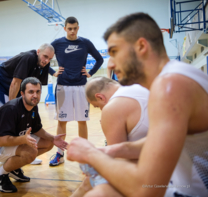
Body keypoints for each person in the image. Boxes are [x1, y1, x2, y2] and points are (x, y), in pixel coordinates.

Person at [67, 12, 208, 197]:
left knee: (97, 193)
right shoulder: (176, 74)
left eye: (115, 52)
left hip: (191, 192)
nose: (111, 63)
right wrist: (115, 149)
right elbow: (160, 141)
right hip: (184, 184)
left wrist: (90, 154)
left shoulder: (170, 87)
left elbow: (145, 190)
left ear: (141, 46)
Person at [0, 77, 68, 193]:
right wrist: (23, 139)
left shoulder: (33, 106)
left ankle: (13, 168)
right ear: (22, 93)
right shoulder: (11, 109)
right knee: (30, 152)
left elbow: (37, 129)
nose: (35, 95)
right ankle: (0, 174)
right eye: (31, 92)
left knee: (48, 143)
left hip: (16, 140)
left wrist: (53, 138)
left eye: (38, 92)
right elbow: (1, 141)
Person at [71, 76, 149, 197]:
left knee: (91, 185)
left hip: (154, 176)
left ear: (100, 97)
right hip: (179, 165)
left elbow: (117, 160)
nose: (101, 110)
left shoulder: (113, 106)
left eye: (97, 106)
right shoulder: (141, 87)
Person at [49, 16, 104, 166]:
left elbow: (100, 59)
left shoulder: (85, 43)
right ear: (65, 28)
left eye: (75, 28)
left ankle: (84, 154)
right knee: (62, 121)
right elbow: (42, 57)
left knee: (82, 120)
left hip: (81, 86)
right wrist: (52, 71)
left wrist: (90, 73)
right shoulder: (57, 43)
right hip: (63, 86)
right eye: (69, 28)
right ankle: (60, 154)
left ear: (78, 28)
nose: (72, 31)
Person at [0, 44, 55, 165]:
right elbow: (15, 83)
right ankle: (4, 158)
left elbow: (35, 88)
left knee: (24, 116)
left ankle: (25, 153)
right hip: (0, 82)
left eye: (50, 58)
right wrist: (11, 107)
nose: (46, 60)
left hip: (17, 87)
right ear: (38, 51)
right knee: (8, 116)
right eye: (45, 56)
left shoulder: (45, 65)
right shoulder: (28, 58)